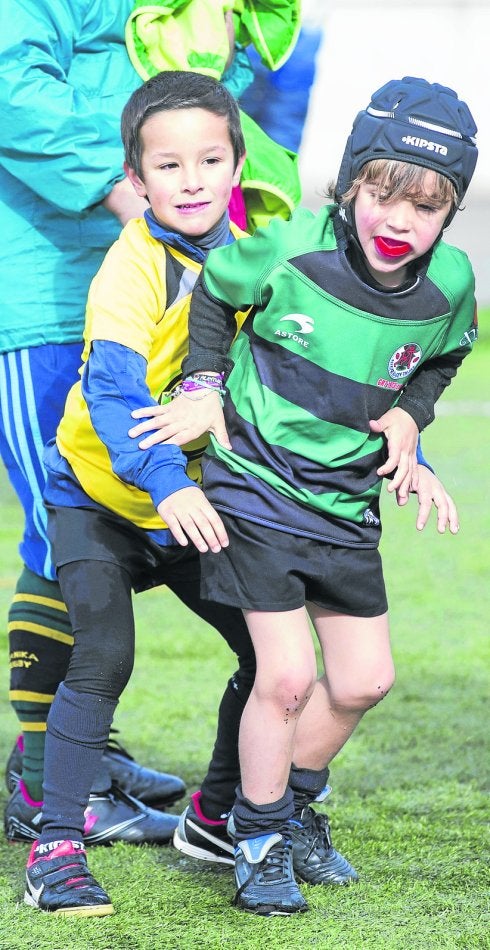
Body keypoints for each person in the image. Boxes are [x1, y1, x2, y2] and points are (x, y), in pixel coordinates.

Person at [137, 76, 478, 915]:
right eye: (384, 193)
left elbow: (442, 356)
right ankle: (251, 839)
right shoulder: (287, 245)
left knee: (365, 681)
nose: (400, 220)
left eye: (428, 207)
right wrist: (206, 382)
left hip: (345, 508)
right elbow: (216, 291)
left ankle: (285, 812)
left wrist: (410, 419)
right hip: (254, 492)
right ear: (352, 181)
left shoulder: (453, 284)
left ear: (451, 213)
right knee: (285, 677)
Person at [0, 0, 301, 846]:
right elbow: (9, 76)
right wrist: (121, 188)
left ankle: (89, 753)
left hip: (175, 268)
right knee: (62, 530)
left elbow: (213, 93)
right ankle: (47, 780)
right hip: (51, 280)